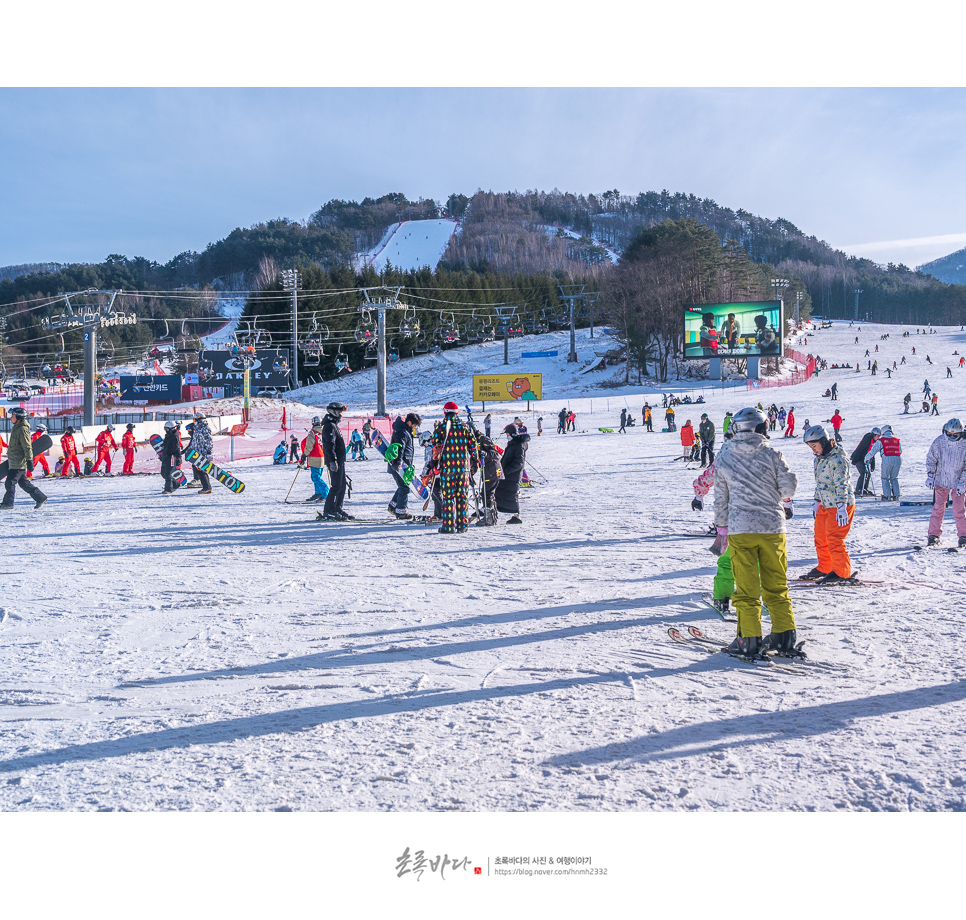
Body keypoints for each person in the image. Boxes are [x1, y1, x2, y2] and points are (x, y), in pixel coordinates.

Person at [712, 407, 799, 656]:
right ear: (761, 428)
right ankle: (784, 635)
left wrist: (722, 528)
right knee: (776, 584)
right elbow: (788, 489)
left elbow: (721, 499)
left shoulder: (726, 457)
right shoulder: (773, 454)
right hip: (773, 528)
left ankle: (748, 639)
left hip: (742, 530)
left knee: (747, 587)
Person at [802, 424, 856, 585]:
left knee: (834, 538)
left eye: (814, 446)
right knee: (820, 537)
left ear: (824, 442)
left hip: (841, 505)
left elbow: (842, 484)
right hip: (825, 504)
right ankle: (825, 566)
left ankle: (841, 571)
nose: (813, 450)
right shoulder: (818, 460)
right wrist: (816, 500)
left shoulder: (838, 459)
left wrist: (841, 505)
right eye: (811, 447)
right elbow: (820, 483)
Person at [431, 401, 479, 534]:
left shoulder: (441, 428)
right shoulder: (465, 427)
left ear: (445, 412)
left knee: (448, 497)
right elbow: (473, 447)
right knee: (462, 496)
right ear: (457, 413)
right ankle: (462, 525)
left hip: (447, 469)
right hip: (463, 469)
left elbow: (435, 448)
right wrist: (474, 464)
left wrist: (433, 464)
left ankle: (448, 526)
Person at [925, 418, 966, 548]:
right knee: (938, 508)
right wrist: (930, 476)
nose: (952, 437)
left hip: (958, 482)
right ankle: (934, 535)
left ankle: (964, 536)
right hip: (941, 480)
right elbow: (931, 459)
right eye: (950, 434)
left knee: (959, 510)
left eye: (956, 435)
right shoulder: (939, 442)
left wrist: (962, 483)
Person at [0, 408, 48, 510]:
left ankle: (8, 503)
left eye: (12, 416)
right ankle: (40, 497)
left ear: (18, 418)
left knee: (10, 482)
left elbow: (27, 446)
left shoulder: (22, 429)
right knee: (24, 483)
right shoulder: (17, 428)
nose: (10, 418)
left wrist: (29, 460)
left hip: (18, 462)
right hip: (14, 461)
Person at [386, 412, 421, 520]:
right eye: (414, 425)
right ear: (409, 422)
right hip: (400, 465)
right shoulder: (403, 432)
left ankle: (393, 506)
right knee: (404, 487)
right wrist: (398, 463)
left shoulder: (404, 430)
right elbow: (399, 447)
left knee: (403, 486)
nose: (415, 428)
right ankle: (401, 511)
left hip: (402, 464)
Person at [320, 402, 350, 520]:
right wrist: (332, 461)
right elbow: (329, 445)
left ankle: (337, 508)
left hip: (339, 460)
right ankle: (329, 510)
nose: (341, 414)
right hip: (335, 461)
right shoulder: (330, 426)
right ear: (333, 412)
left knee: (342, 485)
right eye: (339, 412)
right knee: (336, 486)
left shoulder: (334, 425)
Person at [495, 423, 529, 524]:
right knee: (501, 492)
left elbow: (519, 463)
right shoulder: (513, 443)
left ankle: (517, 516)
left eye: (508, 434)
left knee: (512, 494)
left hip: (513, 475)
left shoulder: (519, 445)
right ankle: (497, 509)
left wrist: (506, 471)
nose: (507, 437)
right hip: (507, 474)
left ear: (513, 434)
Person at [302, 416, 330, 504]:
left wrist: (304, 455)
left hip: (314, 457)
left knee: (315, 477)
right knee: (318, 476)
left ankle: (326, 493)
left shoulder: (313, 433)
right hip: (322, 457)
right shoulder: (324, 432)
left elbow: (309, 446)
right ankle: (318, 493)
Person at [186, 412, 213, 494]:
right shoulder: (197, 428)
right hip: (196, 453)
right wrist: (190, 452)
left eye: (195, 419)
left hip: (203, 453)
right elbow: (194, 442)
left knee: (202, 470)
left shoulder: (204, 428)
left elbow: (209, 441)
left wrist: (208, 452)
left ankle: (207, 487)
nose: (194, 421)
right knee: (197, 470)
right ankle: (205, 486)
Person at [850, 427, 880, 496]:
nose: (878, 438)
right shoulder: (867, 439)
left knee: (868, 474)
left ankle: (864, 488)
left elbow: (872, 454)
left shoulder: (874, 442)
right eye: (877, 436)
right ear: (874, 435)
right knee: (863, 473)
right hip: (859, 458)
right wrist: (854, 459)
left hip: (865, 460)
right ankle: (858, 490)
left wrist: (873, 465)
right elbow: (860, 449)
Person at [160, 420, 183, 494]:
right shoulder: (169, 435)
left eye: (166, 429)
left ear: (171, 429)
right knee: (163, 472)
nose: (165, 431)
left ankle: (169, 488)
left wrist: (177, 457)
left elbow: (176, 448)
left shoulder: (174, 437)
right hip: (167, 456)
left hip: (171, 457)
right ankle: (175, 484)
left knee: (168, 473)